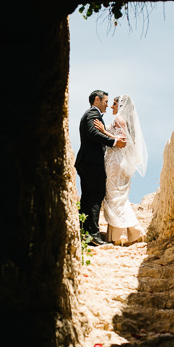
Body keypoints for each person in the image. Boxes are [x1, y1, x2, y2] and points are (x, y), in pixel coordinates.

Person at [93, 95, 148, 245]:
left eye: (114, 104)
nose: (112, 106)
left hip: (115, 161)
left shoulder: (119, 119)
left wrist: (104, 131)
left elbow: (122, 141)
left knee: (113, 197)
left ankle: (123, 234)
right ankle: (128, 233)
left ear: (121, 105)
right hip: (122, 162)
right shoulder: (128, 122)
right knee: (120, 197)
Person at [75, 90, 126, 246]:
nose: (107, 105)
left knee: (88, 197)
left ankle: (84, 232)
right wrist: (114, 142)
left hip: (86, 162)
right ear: (97, 99)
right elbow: (92, 134)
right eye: (105, 101)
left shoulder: (91, 114)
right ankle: (94, 236)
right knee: (97, 195)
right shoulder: (92, 114)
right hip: (92, 162)